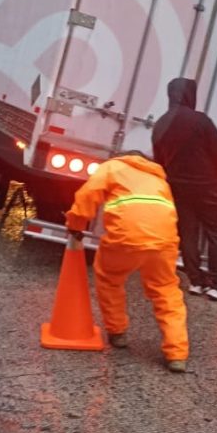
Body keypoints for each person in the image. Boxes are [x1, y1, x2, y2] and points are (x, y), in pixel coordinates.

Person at [65, 151, 189, 373]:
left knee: (109, 278)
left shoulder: (112, 167)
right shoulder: (158, 177)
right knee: (166, 291)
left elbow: (87, 195)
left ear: (123, 157)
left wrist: (75, 225)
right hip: (163, 243)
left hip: (125, 239)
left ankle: (117, 332)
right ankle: (177, 354)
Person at [152, 77, 217, 303]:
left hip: (177, 186)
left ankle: (196, 281)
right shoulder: (200, 120)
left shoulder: (160, 124)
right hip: (206, 185)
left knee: (188, 232)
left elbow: (159, 160)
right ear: (189, 95)